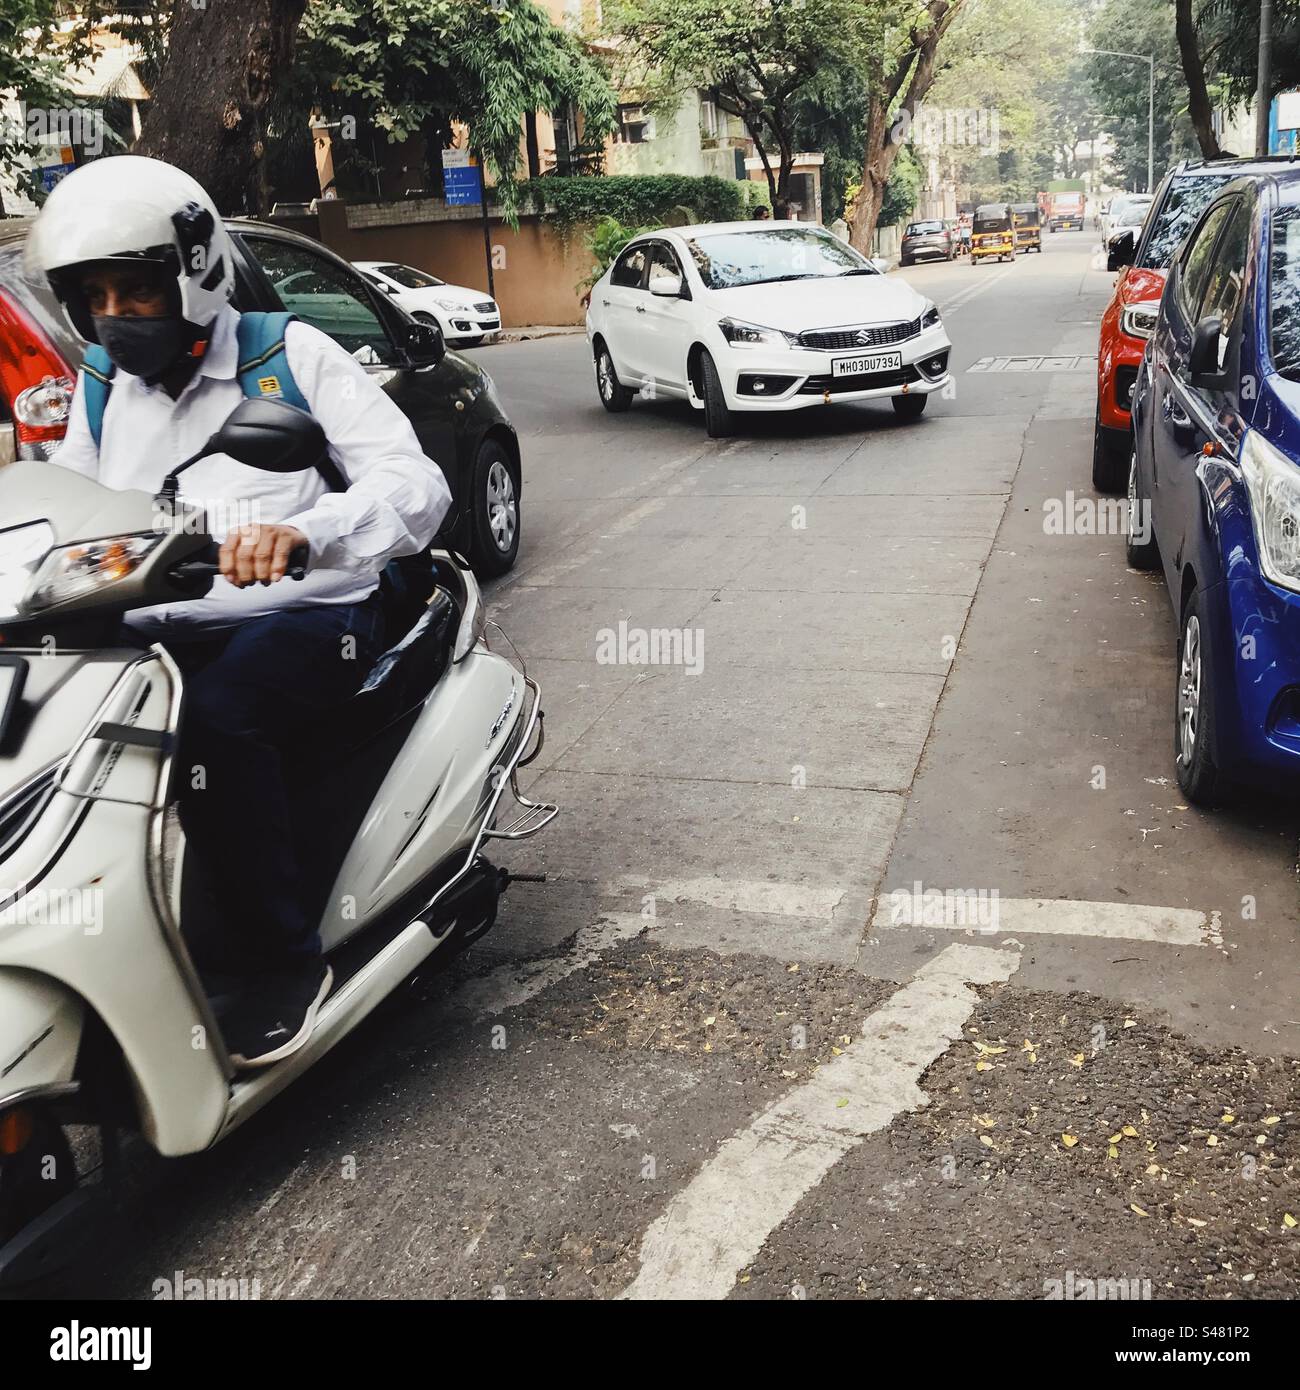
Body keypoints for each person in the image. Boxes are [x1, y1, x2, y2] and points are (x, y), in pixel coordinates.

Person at [27, 156, 452, 1069]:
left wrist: (307, 533)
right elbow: (68, 508)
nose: (114, 316)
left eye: (134, 291)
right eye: (93, 296)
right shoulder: (101, 388)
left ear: (191, 270)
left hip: (315, 611)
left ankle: (277, 963)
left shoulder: (288, 354)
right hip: (155, 623)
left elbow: (417, 487)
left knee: (219, 721)